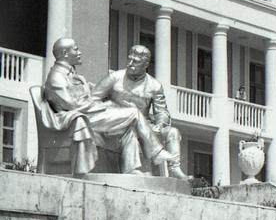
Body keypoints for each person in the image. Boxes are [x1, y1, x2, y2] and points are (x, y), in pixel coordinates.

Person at [43, 38, 176, 175]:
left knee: (130, 125)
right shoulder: (57, 77)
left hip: (87, 115)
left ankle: (130, 169)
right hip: (78, 119)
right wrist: (106, 106)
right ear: (65, 53)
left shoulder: (72, 74)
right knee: (133, 113)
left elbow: (84, 97)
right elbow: (73, 105)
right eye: (75, 49)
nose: (79, 52)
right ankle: (156, 152)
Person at [91, 45, 188, 179]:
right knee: (131, 125)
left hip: (145, 125)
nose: (130, 64)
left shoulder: (155, 85)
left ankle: (175, 169)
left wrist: (160, 124)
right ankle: (155, 154)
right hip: (118, 124)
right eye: (130, 59)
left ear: (146, 64)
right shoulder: (115, 77)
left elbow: (162, 112)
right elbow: (93, 98)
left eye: (136, 62)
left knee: (173, 132)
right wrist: (109, 111)